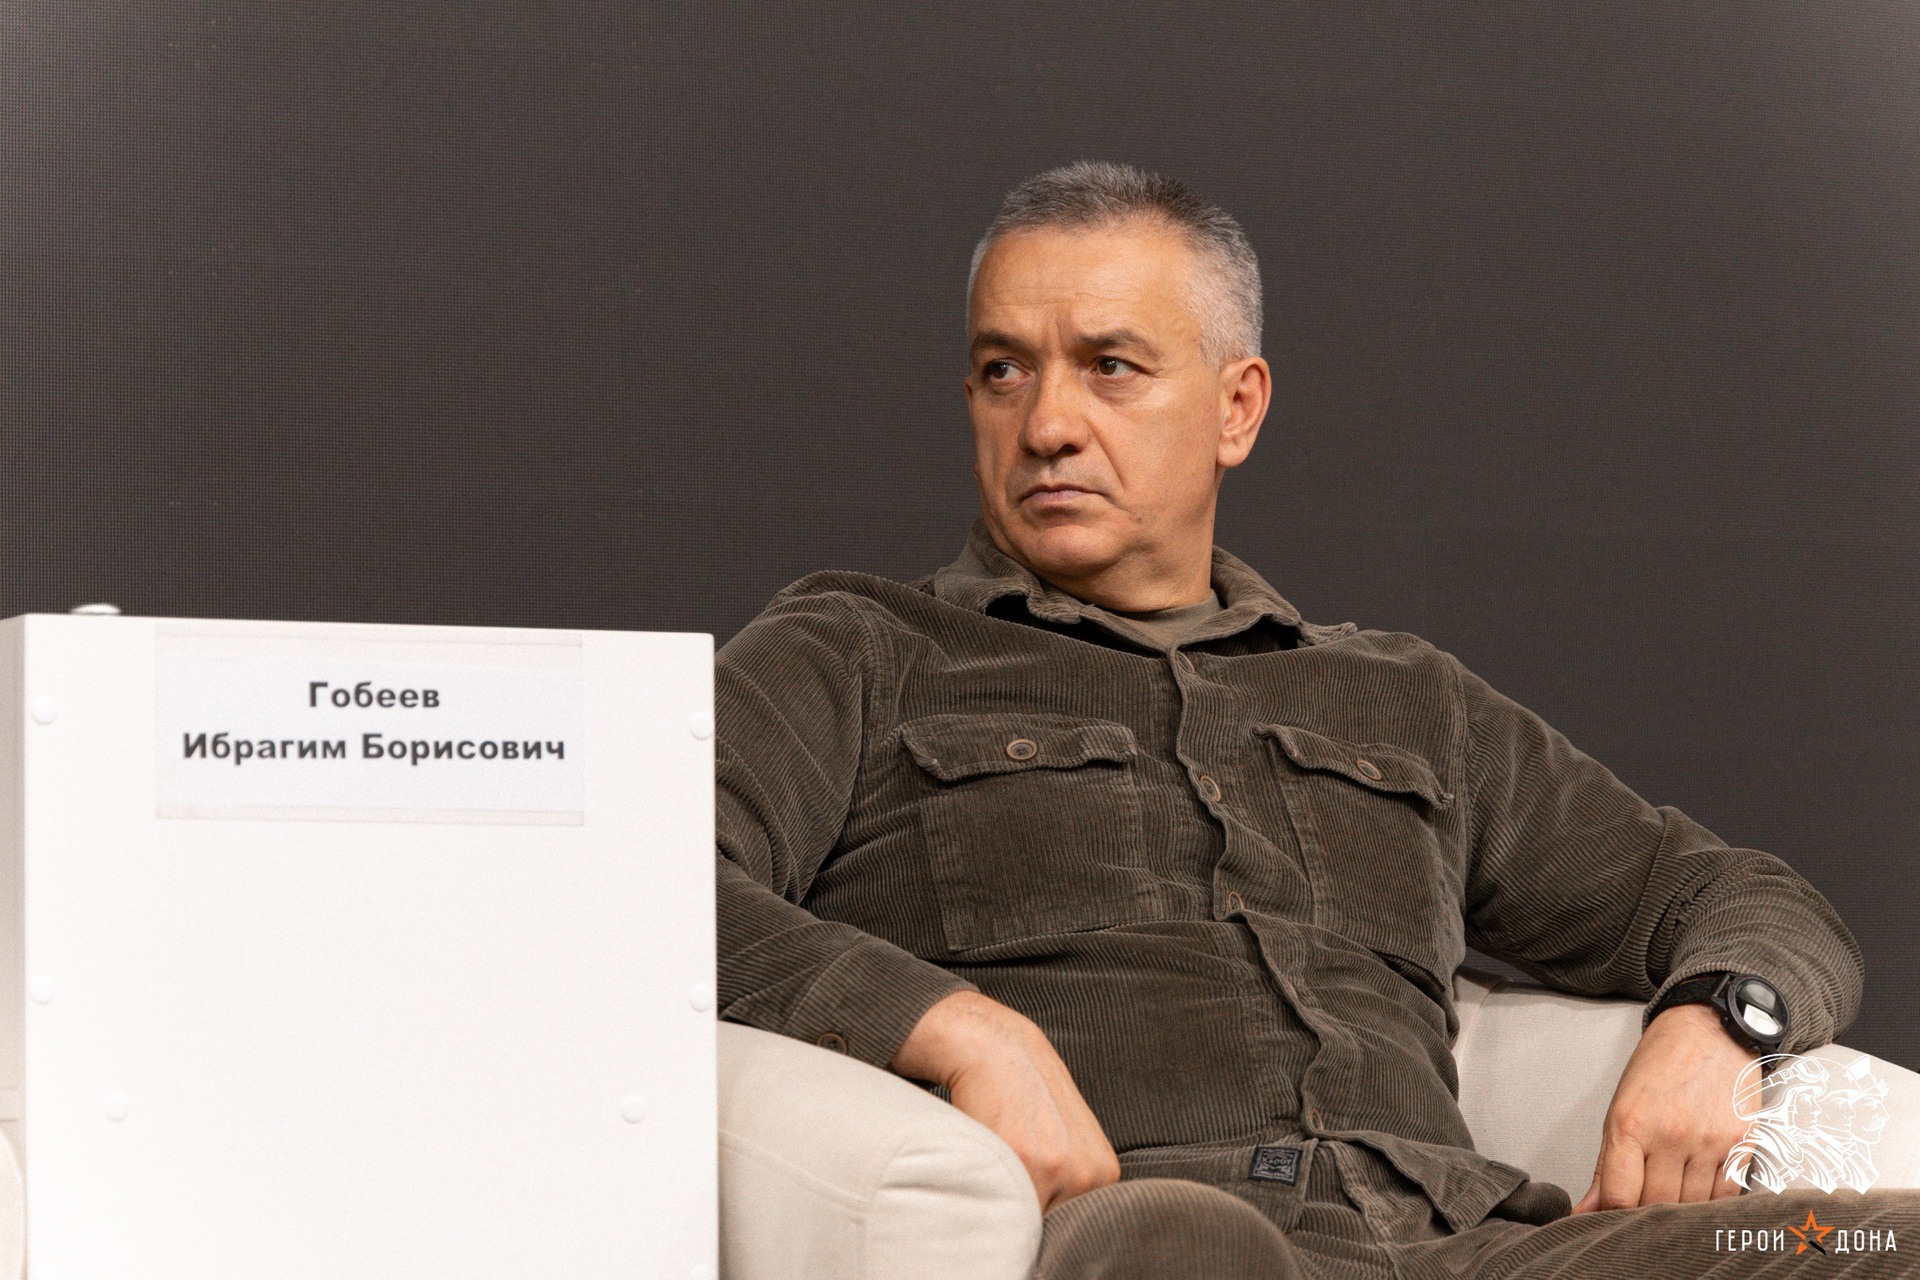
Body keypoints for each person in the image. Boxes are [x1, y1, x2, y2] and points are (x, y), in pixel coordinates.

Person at [713, 161, 1914, 1277]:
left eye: (1111, 366)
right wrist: (962, 1029)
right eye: (1003, 370)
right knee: (1177, 1240)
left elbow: (1739, 894)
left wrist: (1719, 1018)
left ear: (1237, 407)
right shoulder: (862, 648)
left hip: (1472, 1250)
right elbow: (644, 882)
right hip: (1157, 1231)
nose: (1046, 424)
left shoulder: (1406, 697)